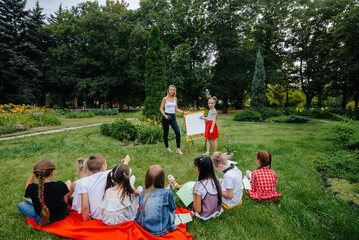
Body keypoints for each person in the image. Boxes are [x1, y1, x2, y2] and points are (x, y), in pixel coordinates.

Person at [78, 154, 132, 221]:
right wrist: (126, 161)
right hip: (109, 216)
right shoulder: (108, 174)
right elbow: (121, 171)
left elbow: (85, 206)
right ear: (103, 167)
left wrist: (86, 220)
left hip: (95, 217)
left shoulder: (83, 182)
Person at [168, 155, 223, 220]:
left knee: (186, 189)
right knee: (191, 184)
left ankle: (175, 185)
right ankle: (176, 185)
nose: (195, 169)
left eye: (195, 168)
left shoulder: (199, 186)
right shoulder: (216, 179)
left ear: (200, 170)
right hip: (217, 210)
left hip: (204, 214)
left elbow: (198, 210)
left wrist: (194, 194)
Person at [17, 160, 69, 226]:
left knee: (21, 205)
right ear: (52, 173)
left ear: (35, 175)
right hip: (62, 214)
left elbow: (27, 187)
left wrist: (34, 172)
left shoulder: (32, 188)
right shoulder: (60, 185)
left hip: (43, 220)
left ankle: (38, 217)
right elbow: (65, 201)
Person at [135, 165, 177, 236]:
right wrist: (169, 191)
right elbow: (172, 208)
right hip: (162, 230)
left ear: (147, 179)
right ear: (162, 180)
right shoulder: (167, 193)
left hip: (144, 227)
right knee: (172, 211)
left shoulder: (142, 194)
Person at [160, 85, 187, 155]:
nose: (172, 91)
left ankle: (178, 149)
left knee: (177, 132)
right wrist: (165, 115)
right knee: (166, 133)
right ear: (168, 90)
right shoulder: (165, 99)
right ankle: (167, 147)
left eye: (173, 90)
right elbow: (161, 108)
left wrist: (184, 112)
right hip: (166, 116)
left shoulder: (175, 99)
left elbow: (176, 109)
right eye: (171, 89)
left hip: (173, 117)